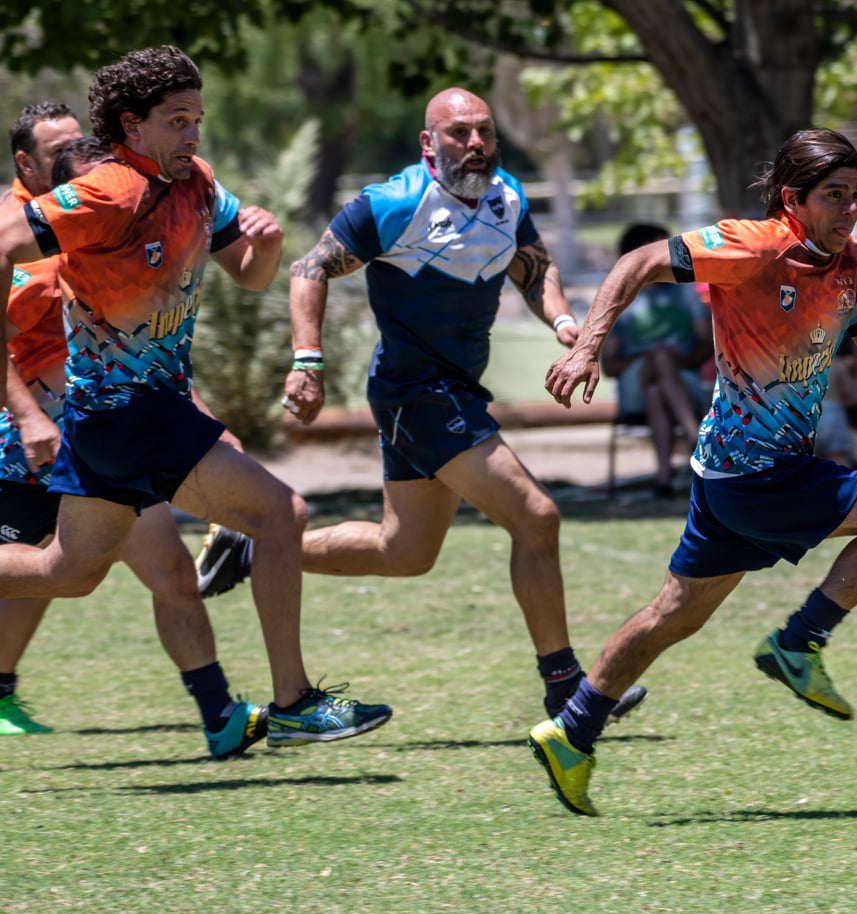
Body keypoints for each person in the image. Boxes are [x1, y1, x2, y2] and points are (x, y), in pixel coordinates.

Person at [528, 128, 857, 816]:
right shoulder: (753, 246)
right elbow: (639, 261)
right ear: (794, 199)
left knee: (675, 614)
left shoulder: (854, 266)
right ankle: (799, 643)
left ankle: (572, 730)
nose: (848, 209)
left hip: (728, 473)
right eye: (833, 196)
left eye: (856, 195)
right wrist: (589, 346)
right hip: (756, 477)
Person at [195, 87, 642, 724]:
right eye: (460, 133)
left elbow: (534, 266)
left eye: (484, 130)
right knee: (537, 517)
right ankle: (566, 688)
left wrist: (565, 321)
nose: (477, 143)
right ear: (428, 144)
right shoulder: (393, 203)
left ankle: (252, 548)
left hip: (451, 390)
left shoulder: (507, 196)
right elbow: (309, 268)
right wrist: (307, 360)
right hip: (416, 392)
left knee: (405, 552)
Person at [0, 46, 390, 744]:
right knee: (280, 513)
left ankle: (258, 710)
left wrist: (265, 244)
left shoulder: (198, 182)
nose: (193, 135)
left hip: (121, 417)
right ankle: (295, 701)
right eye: (177, 121)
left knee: (69, 570)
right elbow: (4, 242)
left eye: (198, 119)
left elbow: (247, 272)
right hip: (130, 412)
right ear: (132, 124)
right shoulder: (108, 189)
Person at [0, 133, 271, 754]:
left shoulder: (118, 241)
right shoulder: (40, 263)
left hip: (103, 439)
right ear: (35, 169)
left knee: (169, 573)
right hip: (31, 453)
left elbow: (148, 365)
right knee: (59, 575)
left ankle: (220, 717)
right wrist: (29, 417)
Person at [597, 221, 712, 498]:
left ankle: (664, 478)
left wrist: (676, 363)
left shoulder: (685, 292)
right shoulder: (619, 299)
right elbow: (609, 366)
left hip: (682, 379)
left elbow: (707, 344)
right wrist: (650, 357)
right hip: (633, 383)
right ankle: (696, 437)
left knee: (657, 388)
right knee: (658, 360)